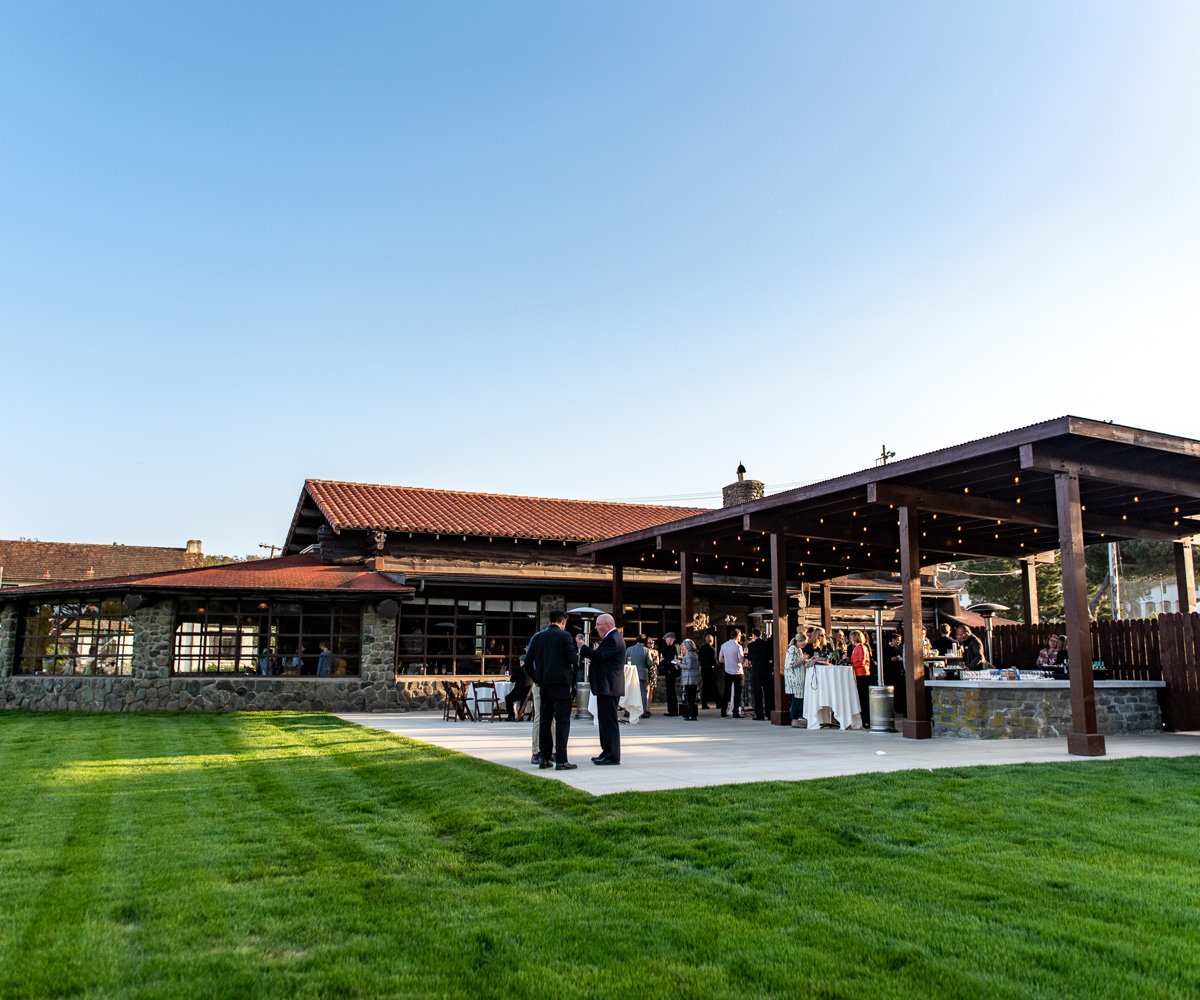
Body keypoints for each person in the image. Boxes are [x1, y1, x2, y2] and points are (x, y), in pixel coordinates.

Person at [525, 609, 579, 770]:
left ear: (550, 621)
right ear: (563, 622)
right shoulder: (565, 636)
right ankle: (561, 760)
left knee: (544, 720)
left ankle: (544, 758)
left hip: (544, 684)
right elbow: (573, 660)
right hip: (561, 684)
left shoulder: (538, 637)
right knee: (562, 721)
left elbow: (527, 662)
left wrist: (537, 679)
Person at [588, 613, 627, 765]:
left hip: (609, 686)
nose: (596, 627)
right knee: (604, 721)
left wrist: (583, 648)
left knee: (609, 722)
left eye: (598, 624)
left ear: (607, 624)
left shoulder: (613, 639)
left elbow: (599, 657)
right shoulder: (611, 638)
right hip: (606, 686)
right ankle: (606, 751)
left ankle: (612, 755)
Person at [746, 627, 775, 721]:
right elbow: (770, 656)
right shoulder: (766, 644)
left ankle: (759, 714)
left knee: (757, 693)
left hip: (756, 671)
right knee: (768, 693)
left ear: (753, 635)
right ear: (761, 634)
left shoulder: (751, 646)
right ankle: (769, 713)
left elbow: (749, 658)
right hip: (766, 670)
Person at [718, 626, 746, 718]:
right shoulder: (738, 647)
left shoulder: (724, 645)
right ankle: (735, 712)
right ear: (737, 636)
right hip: (738, 671)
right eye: (740, 635)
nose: (740, 637)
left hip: (728, 670)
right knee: (737, 693)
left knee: (726, 692)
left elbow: (720, 659)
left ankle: (723, 711)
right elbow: (741, 660)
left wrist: (728, 659)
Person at [783, 634, 808, 728]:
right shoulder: (792, 649)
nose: (804, 645)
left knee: (798, 698)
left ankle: (796, 718)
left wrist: (805, 660)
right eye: (803, 643)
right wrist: (803, 659)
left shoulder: (798, 649)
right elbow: (791, 663)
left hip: (799, 677)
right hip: (795, 677)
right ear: (799, 641)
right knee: (797, 699)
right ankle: (794, 718)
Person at [625, 635, 652, 720]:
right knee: (642, 693)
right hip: (641, 673)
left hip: (630, 674)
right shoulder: (646, 650)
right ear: (644, 642)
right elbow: (650, 663)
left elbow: (624, 661)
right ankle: (642, 711)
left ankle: (628, 711)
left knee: (630, 693)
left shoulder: (629, 649)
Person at [849, 629, 872, 726]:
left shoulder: (861, 647)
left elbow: (861, 661)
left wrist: (852, 664)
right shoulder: (858, 647)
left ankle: (866, 720)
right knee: (862, 697)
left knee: (863, 698)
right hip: (859, 673)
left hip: (862, 674)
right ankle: (864, 719)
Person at [678, 638, 701, 720]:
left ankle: (690, 714)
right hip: (694, 678)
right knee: (692, 697)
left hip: (688, 678)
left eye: (684, 645)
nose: (682, 647)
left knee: (689, 697)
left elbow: (688, 666)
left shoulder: (688, 655)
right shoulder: (695, 654)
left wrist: (679, 664)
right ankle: (692, 714)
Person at [659, 632, 680, 716]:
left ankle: (673, 711)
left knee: (671, 691)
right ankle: (671, 710)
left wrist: (664, 660)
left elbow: (674, 661)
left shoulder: (674, 647)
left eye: (666, 639)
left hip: (671, 671)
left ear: (671, 638)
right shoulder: (673, 647)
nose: (665, 641)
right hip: (670, 671)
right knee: (670, 691)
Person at [505, 652, 529, 721]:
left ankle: (511, 715)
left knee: (508, 698)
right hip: (528, 694)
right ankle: (520, 714)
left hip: (518, 693)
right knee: (523, 700)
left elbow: (512, 680)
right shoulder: (531, 670)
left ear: (521, 662)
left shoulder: (519, 670)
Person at [698, 632, 719, 709]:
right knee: (714, 686)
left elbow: (700, 659)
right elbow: (714, 660)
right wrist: (717, 666)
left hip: (704, 669)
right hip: (710, 669)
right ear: (711, 640)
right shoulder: (712, 649)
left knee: (705, 687)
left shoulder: (701, 649)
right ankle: (718, 703)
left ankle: (704, 703)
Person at [643, 637, 659, 716]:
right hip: (647, 671)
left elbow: (658, 662)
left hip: (654, 671)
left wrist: (655, 659)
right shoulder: (645, 651)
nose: (651, 644)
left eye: (652, 643)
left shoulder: (655, 651)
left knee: (651, 690)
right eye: (649, 643)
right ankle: (645, 709)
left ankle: (649, 708)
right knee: (646, 690)